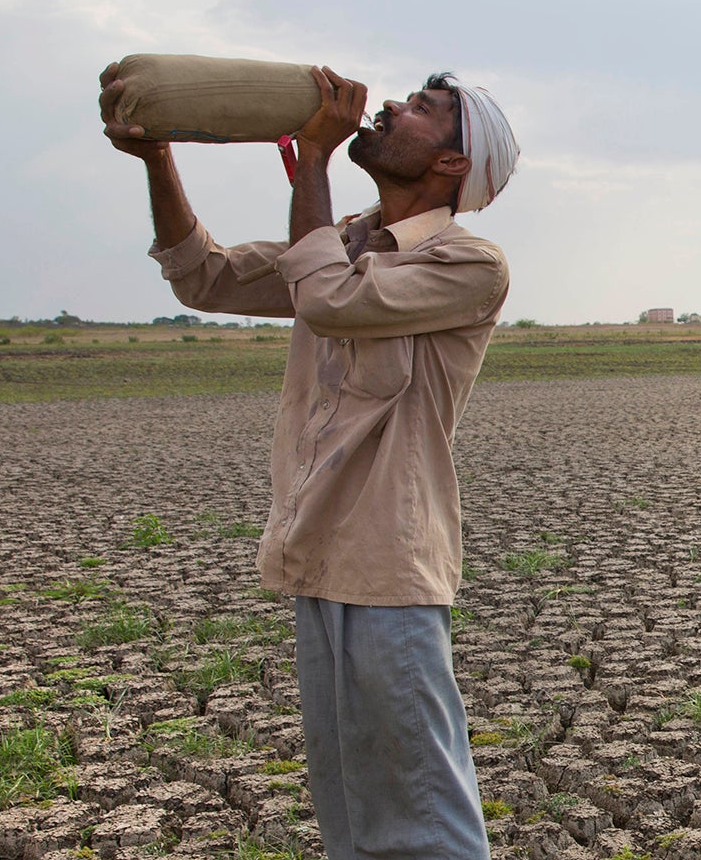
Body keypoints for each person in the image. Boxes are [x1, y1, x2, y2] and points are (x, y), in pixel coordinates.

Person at [99, 61, 520, 860]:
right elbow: (203, 274)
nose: (391, 106)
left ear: (452, 164)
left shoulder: (467, 266)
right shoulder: (344, 242)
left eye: (422, 108)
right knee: (352, 814)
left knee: (422, 815)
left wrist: (316, 158)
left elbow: (328, 300)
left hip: (389, 569)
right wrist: (159, 158)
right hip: (317, 561)